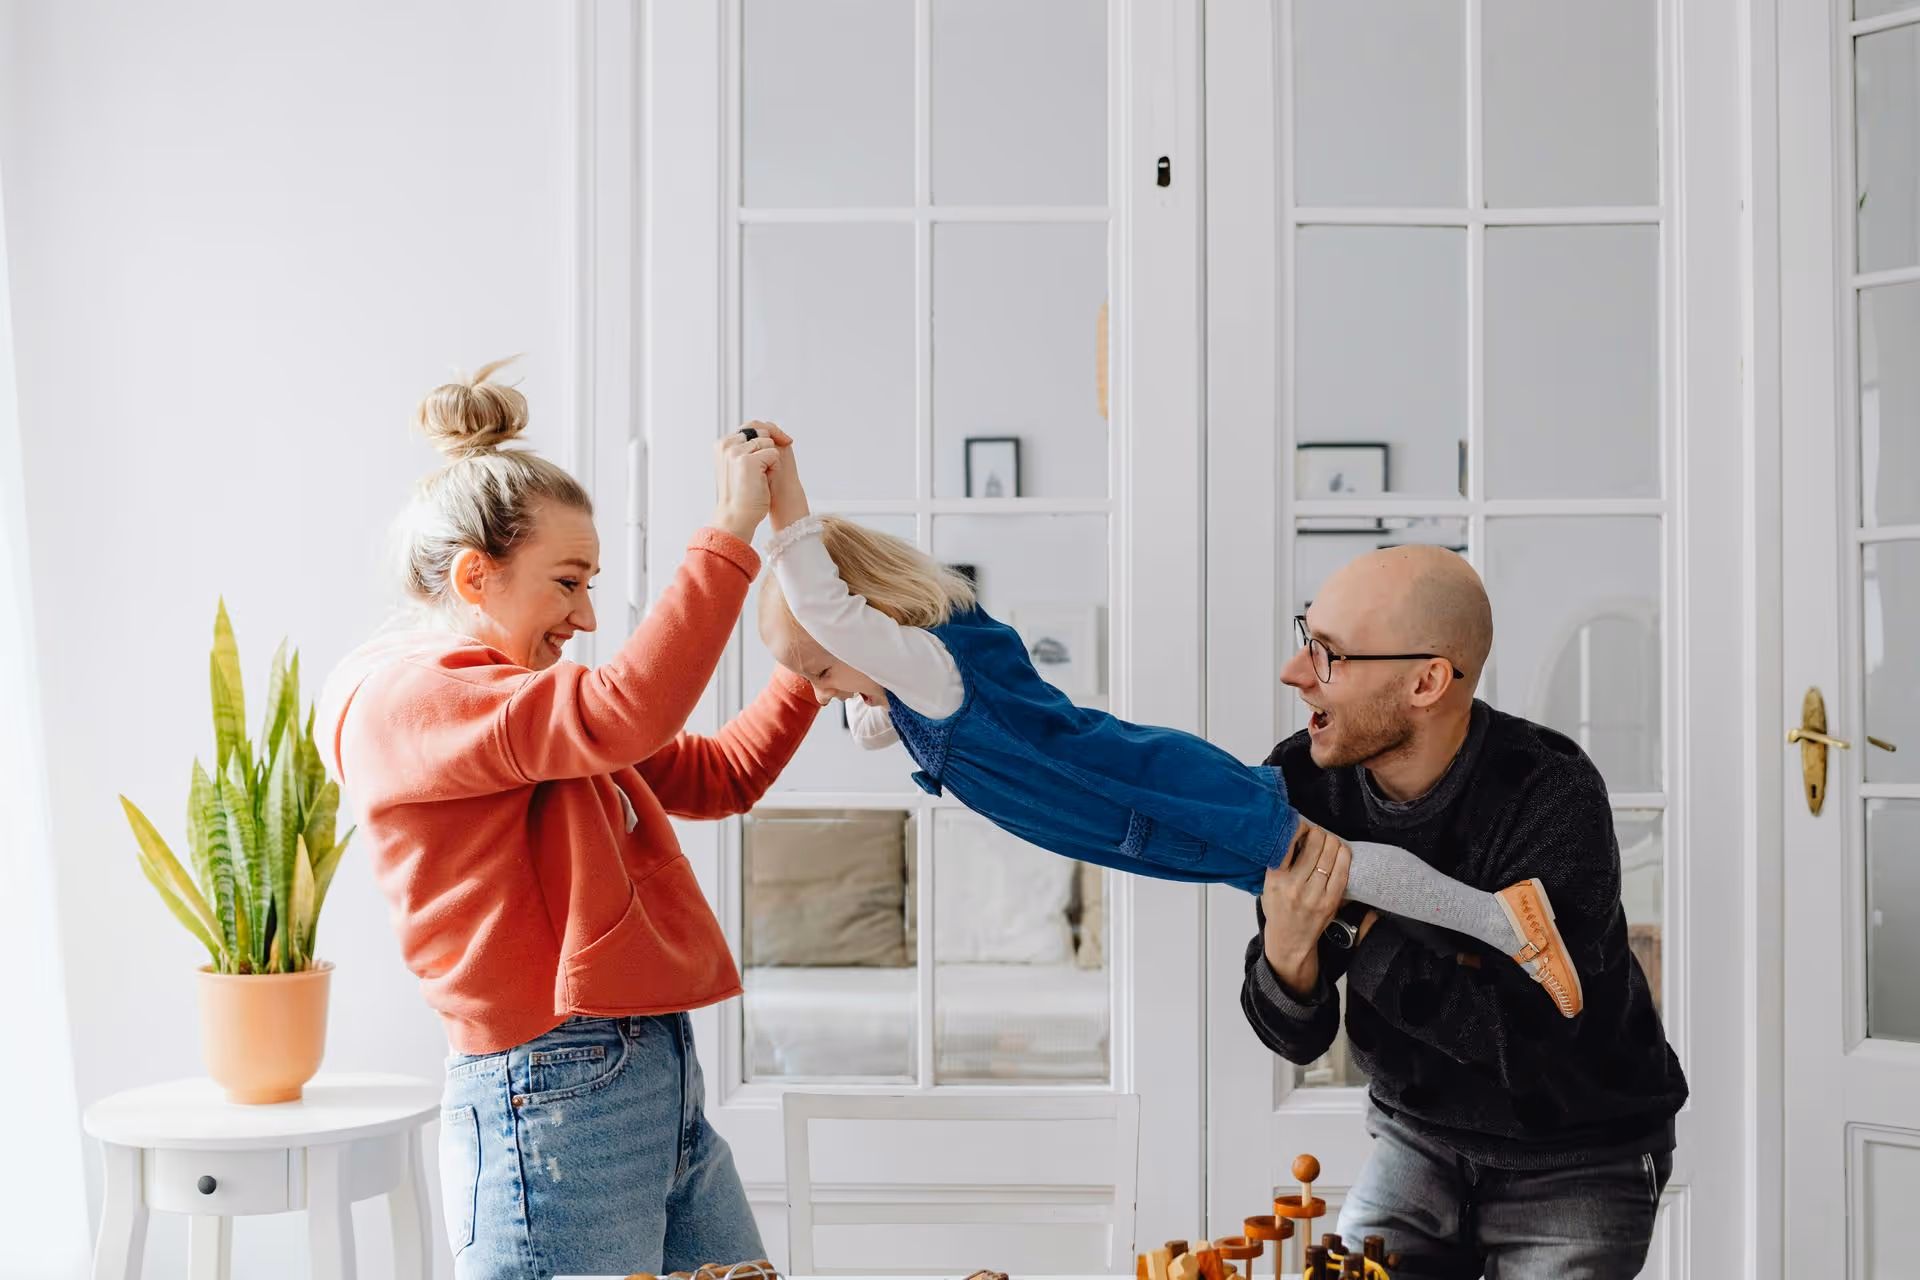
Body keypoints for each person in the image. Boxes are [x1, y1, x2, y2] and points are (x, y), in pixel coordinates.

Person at [751, 435, 1581, 1016]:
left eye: (821, 670)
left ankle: (1504, 922)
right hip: (1125, 823)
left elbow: (829, 611)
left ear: (868, 620)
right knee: (1311, 888)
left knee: (1326, 864)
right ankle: (1465, 932)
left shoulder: (928, 670)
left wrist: (781, 495)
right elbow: (869, 716)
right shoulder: (906, 696)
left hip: (1143, 790)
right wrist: (834, 686)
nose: (824, 693)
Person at [318, 367, 819, 1279]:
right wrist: (731, 531)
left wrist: (808, 666)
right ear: (477, 575)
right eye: (567, 583)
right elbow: (631, 710)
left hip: (648, 1072)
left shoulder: (532, 710)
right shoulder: (412, 700)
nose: (585, 616)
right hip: (549, 1093)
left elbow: (722, 775)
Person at [1241, 546, 1687, 1279]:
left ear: (1426, 681)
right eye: (1305, 637)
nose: (1295, 673)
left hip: (1580, 1156)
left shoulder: (1550, 792)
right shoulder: (1305, 776)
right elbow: (1296, 1035)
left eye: (1330, 655)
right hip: (1415, 1137)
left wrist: (1359, 931)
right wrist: (1290, 952)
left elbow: (1530, 1042)